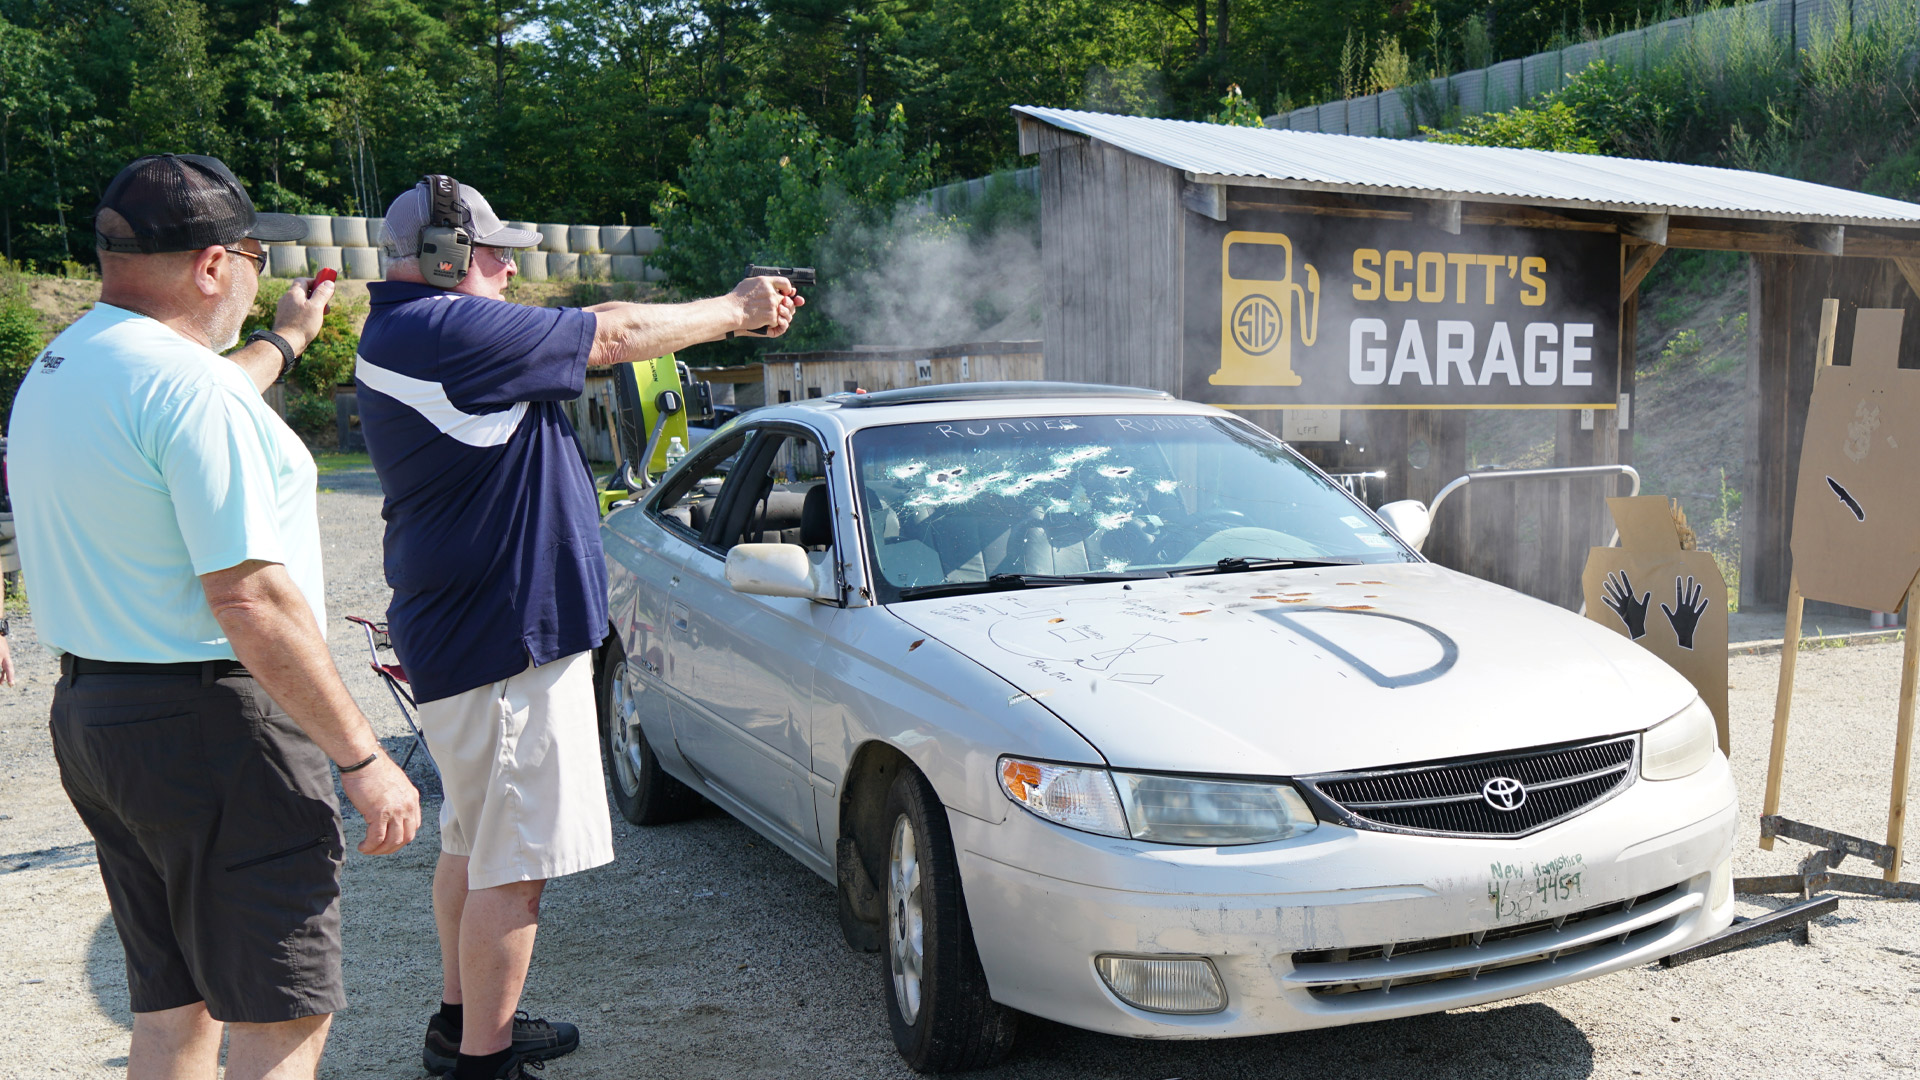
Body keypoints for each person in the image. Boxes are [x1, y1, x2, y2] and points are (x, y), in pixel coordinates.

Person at [356, 176, 800, 1080]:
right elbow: (613, 335)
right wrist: (737, 309)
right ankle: (486, 1061)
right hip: (503, 641)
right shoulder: (439, 329)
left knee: (474, 845)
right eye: (492, 252)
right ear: (445, 256)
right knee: (514, 867)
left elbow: (595, 330)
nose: (510, 266)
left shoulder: (409, 329)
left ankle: (461, 1023)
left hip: (474, 636)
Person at [9, 153, 422, 1080]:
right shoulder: (189, 391)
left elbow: (191, 402)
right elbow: (249, 597)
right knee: (282, 1016)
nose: (254, 279)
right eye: (251, 258)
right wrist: (363, 758)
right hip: (214, 725)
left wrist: (288, 341)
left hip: (98, 718)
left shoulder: (66, 362)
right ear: (211, 263)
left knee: (172, 1004)